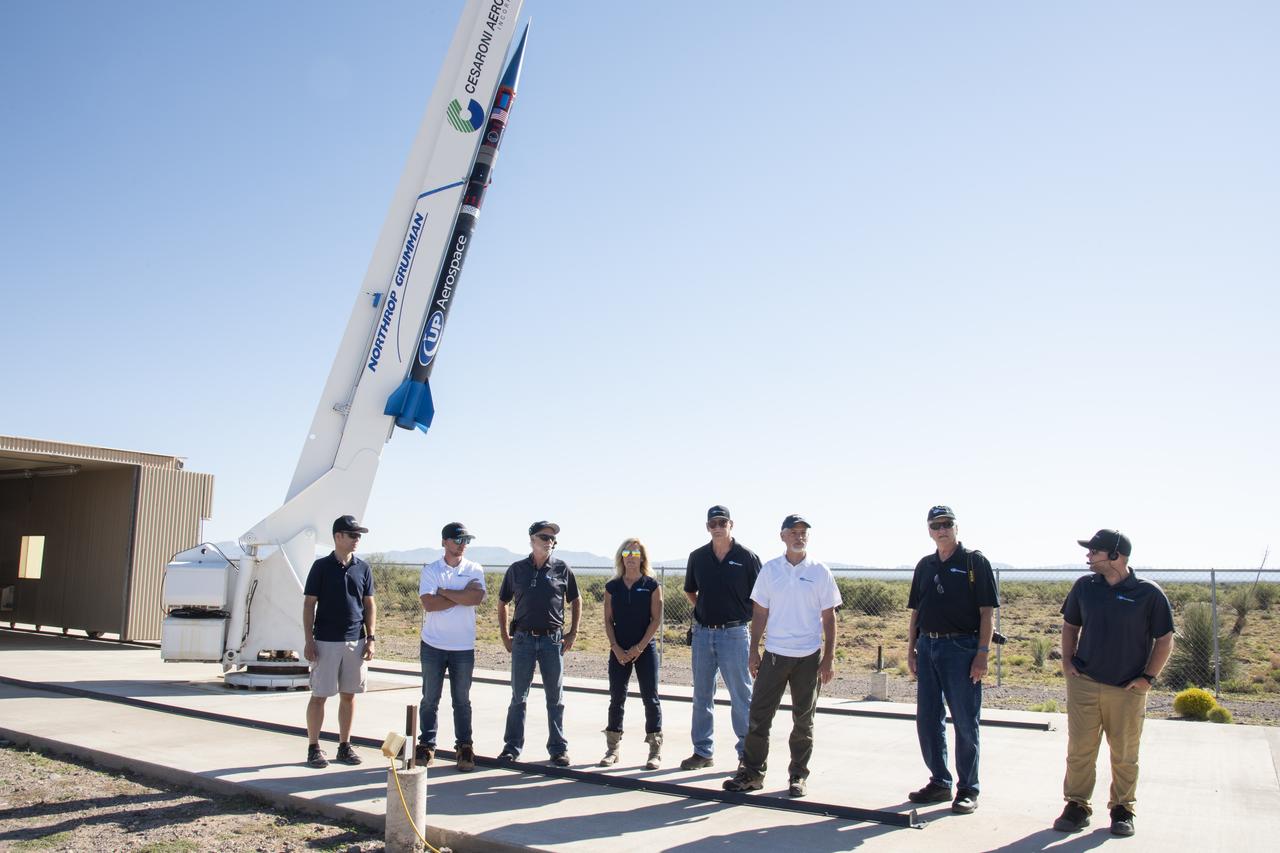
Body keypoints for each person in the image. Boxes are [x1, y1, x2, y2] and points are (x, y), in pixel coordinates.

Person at [1052, 529, 1174, 838]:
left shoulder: (1149, 594)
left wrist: (1148, 678)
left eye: (1094, 551)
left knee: (1124, 752)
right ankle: (1077, 806)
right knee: (1080, 748)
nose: (1088, 557)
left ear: (1116, 556)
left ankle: (1123, 809)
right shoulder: (1084, 587)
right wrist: (1067, 662)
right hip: (1084, 683)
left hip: (1127, 689)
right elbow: (1070, 626)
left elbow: (1164, 640)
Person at [722, 515, 839, 798]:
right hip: (774, 655)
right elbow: (760, 612)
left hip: (808, 657)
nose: (799, 537)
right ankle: (751, 773)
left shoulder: (820, 571)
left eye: (803, 532)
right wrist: (754, 650)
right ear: (782, 536)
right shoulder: (770, 571)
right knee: (759, 717)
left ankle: (798, 775)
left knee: (803, 720)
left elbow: (829, 616)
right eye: (793, 532)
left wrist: (829, 657)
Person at [905, 505, 999, 814]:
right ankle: (939, 782)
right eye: (936, 525)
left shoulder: (974, 563)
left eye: (947, 524)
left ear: (956, 528)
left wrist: (982, 655)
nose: (942, 529)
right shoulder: (925, 565)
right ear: (929, 531)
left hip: (961, 649)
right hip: (928, 647)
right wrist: (911, 649)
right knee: (928, 720)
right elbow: (916, 611)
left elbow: (987, 613)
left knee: (964, 721)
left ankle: (968, 788)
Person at [681, 505, 762, 770]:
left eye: (722, 522)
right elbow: (691, 592)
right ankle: (703, 752)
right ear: (707, 527)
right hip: (704, 635)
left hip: (735, 634)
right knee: (702, 695)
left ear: (731, 525)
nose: (718, 527)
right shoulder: (698, 557)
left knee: (741, 696)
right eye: (713, 523)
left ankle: (746, 755)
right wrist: (704, 611)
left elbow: (761, 597)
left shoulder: (747, 557)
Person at [497, 521, 581, 765]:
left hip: (552, 640)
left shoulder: (562, 569)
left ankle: (558, 748)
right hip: (522, 639)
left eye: (553, 538)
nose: (550, 541)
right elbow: (503, 602)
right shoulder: (517, 569)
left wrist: (572, 632)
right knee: (518, 697)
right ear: (532, 539)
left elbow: (576, 600)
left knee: (555, 697)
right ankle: (512, 747)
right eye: (545, 537)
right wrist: (505, 636)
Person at [302, 515, 377, 769]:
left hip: (355, 641)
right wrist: (308, 639)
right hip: (325, 641)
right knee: (320, 695)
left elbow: (369, 604)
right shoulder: (320, 567)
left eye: (359, 536)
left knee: (349, 695)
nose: (357, 539)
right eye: (353, 535)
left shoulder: (363, 568)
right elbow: (309, 604)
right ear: (338, 536)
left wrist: (371, 638)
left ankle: (345, 745)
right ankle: (314, 747)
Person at [415, 522, 486, 772]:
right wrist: (460, 595)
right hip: (433, 644)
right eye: (458, 540)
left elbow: (476, 598)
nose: (462, 544)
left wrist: (444, 592)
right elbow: (429, 604)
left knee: (462, 700)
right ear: (444, 541)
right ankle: (426, 744)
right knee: (430, 698)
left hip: (462, 647)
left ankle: (464, 747)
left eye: (466, 540)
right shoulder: (431, 570)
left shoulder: (474, 569)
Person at [600, 537, 664, 769]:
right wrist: (616, 647)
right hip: (619, 649)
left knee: (651, 698)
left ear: (643, 558)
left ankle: (655, 750)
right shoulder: (612, 587)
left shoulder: (651, 585)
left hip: (645, 649)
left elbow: (656, 619)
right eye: (627, 554)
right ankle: (612, 749)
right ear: (621, 558)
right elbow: (607, 620)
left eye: (636, 555)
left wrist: (639, 647)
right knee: (617, 698)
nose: (631, 559)